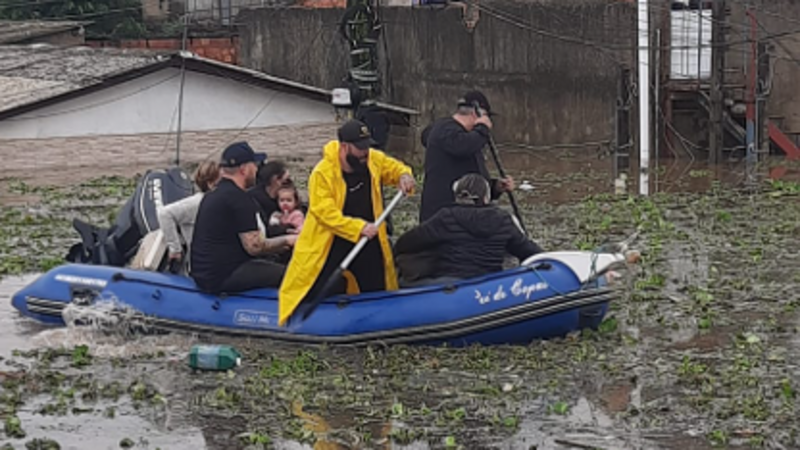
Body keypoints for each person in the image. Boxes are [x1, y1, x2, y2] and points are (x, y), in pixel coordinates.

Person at [278, 119, 415, 326]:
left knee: (376, 282)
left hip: (367, 239)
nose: (364, 153)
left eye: (367, 147)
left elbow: (394, 168)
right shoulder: (322, 173)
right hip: (331, 240)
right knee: (314, 284)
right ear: (344, 147)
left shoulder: (372, 160)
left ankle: (379, 322)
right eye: (359, 148)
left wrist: (404, 175)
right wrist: (358, 227)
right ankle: (308, 318)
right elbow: (325, 213)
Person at [395, 173, 543, 285]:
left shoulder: (446, 217)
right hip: (489, 286)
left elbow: (407, 242)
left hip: (448, 283)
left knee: (404, 281)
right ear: (486, 197)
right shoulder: (502, 219)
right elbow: (527, 250)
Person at [190, 141, 296, 294]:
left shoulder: (212, 195)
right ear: (244, 169)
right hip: (224, 276)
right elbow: (255, 247)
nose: (257, 169)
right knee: (291, 274)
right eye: (254, 165)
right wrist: (289, 240)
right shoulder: (239, 199)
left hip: (203, 274)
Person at [419, 90, 515, 222]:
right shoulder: (445, 130)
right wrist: (482, 129)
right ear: (477, 113)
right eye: (486, 117)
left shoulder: (469, 139)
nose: (489, 123)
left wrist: (495, 187)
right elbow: (462, 147)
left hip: (464, 218)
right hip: (442, 218)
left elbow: (472, 177)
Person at [156, 161, 221, 273]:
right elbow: (164, 214)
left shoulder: (223, 201)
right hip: (202, 266)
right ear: (211, 183)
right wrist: (175, 249)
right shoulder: (196, 203)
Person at [249, 160, 297, 236]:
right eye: (286, 181)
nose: (290, 186)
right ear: (275, 180)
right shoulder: (254, 199)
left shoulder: (285, 196)